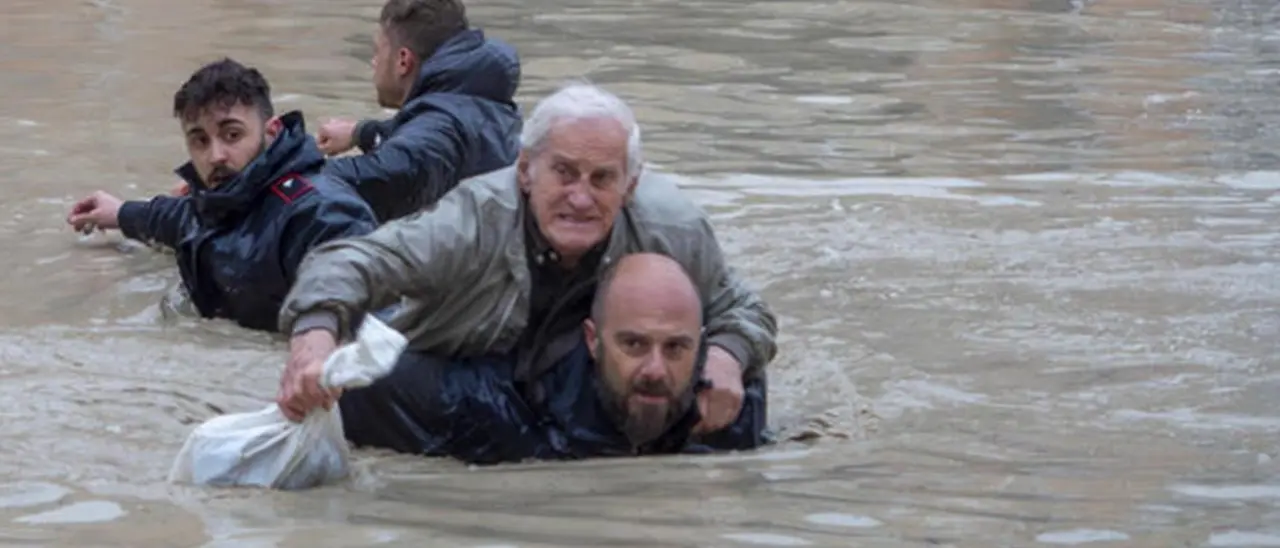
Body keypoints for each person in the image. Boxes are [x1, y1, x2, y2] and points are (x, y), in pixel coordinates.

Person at [275, 82, 778, 458]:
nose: (580, 198)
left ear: (629, 185)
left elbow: (743, 308)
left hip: (590, 379)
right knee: (368, 389)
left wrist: (728, 356)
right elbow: (349, 260)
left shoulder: (675, 228)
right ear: (525, 170)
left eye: (602, 179)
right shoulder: (470, 221)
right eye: (563, 172)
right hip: (473, 375)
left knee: (740, 399)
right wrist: (314, 338)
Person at [336, 253, 768, 463]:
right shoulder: (494, 408)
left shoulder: (729, 410)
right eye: (633, 345)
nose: (656, 369)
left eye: (676, 348)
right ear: (593, 340)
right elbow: (364, 383)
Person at [66, 58, 378, 333]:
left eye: (232, 135)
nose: (216, 155)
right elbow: (179, 218)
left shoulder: (318, 212)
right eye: (200, 141)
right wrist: (120, 213)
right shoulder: (220, 201)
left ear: (270, 133)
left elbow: (361, 296)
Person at [316, 0, 522, 222]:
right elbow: (424, 138)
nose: (374, 62)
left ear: (403, 60)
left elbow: (390, 171)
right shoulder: (476, 101)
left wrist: (288, 173)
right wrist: (361, 133)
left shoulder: (441, 127)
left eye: (378, 51)